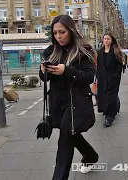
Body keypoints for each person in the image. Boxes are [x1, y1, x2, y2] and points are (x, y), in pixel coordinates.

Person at [39, 15, 98, 179]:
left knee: (64, 140)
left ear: (71, 31)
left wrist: (67, 71)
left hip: (76, 103)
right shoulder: (51, 51)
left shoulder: (83, 51)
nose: (58, 36)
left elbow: (88, 77)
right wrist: (43, 71)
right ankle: (91, 156)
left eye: (62, 32)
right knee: (71, 133)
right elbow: (44, 79)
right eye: (55, 32)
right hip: (58, 103)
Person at [96, 32, 123, 128]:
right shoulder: (100, 52)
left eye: (108, 39)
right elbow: (98, 66)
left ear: (111, 41)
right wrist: (98, 76)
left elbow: (119, 66)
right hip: (103, 78)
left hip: (113, 78)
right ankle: (116, 105)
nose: (106, 40)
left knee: (111, 96)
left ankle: (110, 117)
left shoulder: (116, 51)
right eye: (105, 39)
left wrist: (116, 76)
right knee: (104, 95)